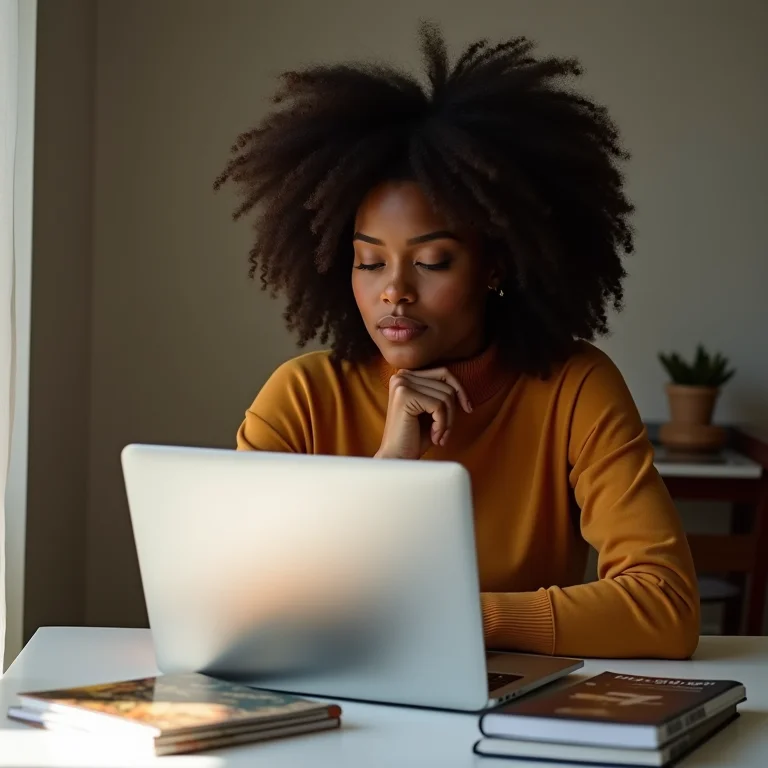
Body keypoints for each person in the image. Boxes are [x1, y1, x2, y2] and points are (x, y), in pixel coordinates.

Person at [214, 22, 699, 659]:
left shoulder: (574, 389)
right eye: (369, 262)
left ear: (495, 265)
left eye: (433, 261)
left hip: (502, 727)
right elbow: (233, 602)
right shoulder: (301, 398)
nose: (394, 291)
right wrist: (388, 470)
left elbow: (664, 607)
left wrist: (457, 619)